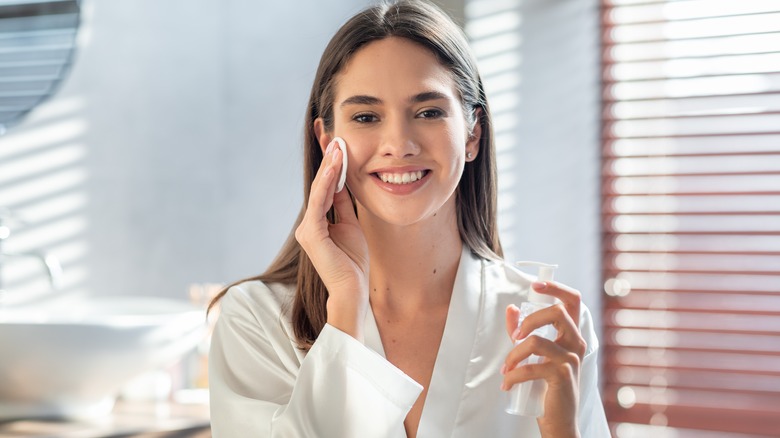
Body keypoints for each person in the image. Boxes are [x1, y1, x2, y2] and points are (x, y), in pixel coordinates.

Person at [207, 1, 609, 437]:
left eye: (429, 112)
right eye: (365, 116)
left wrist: (562, 428)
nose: (398, 144)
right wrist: (344, 308)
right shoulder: (257, 321)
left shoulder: (545, 327)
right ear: (326, 140)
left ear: (473, 133)